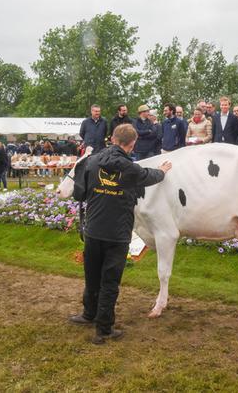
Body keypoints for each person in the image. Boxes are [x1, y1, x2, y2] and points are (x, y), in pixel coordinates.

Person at [68, 124, 171, 344]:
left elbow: (79, 193)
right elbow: (148, 176)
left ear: (112, 139)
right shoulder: (130, 168)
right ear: (132, 144)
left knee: (92, 277)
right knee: (110, 282)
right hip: (117, 234)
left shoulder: (92, 161)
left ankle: (88, 314)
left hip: (93, 230)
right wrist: (163, 170)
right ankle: (104, 329)